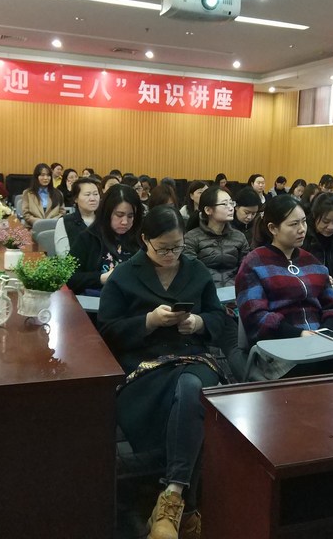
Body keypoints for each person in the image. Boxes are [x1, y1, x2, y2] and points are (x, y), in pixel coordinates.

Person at [98, 205, 229, 539]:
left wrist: (198, 322)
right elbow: (108, 331)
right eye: (163, 248)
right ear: (145, 240)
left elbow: (220, 319)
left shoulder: (196, 270)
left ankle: (171, 496)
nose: (171, 255)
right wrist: (148, 321)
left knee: (191, 386)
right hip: (144, 367)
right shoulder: (125, 275)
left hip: (194, 357)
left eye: (178, 247)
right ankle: (187, 508)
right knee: (191, 397)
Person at [235, 194, 333, 379]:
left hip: (319, 341)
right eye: (293, 224)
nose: (302, 229)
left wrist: (325, 331)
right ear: (273, 228)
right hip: (281, 345)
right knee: (320, 368)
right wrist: (300, 334)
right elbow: (255, 316)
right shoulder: (255, 262)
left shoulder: (310, 261)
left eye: (304, 222)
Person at [68, 184, 143, 294]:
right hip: (95, 299)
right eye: (119, 215)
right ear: (107, 213)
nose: (125, 222)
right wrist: (101, 278)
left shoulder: (141, 238)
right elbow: (70, 278)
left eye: (130, 216)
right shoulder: (88, 238)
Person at [184, 185, 250, 287]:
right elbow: (190, 272)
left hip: (234, 291)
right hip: (205, 291)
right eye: (225, 204)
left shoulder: (239, 237)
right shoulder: (191, 238)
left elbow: (246, 270)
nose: (231, 208)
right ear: (208, 210)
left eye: (231, 203)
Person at [55, 176, 101, 257]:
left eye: (96, 194)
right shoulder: (64, 222)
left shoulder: (105, 220)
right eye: (87, 194)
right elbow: (63, 256)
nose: (93, 198)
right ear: (76, 198)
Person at [21, 163, 65, 228]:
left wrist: (51, 222)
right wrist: (41, 223)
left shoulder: (58, 193)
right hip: (33, 228)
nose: (45, 178)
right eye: (42, 175)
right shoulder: (27, 193)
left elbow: (62, 212)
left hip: (53, 228)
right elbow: (26, 214)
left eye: (48, 175)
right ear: (36, 177)